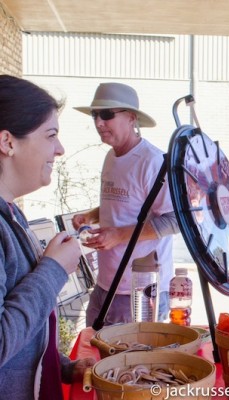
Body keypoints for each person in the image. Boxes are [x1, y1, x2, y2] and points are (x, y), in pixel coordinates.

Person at [0, 75, 95, 400]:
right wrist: (53, 269)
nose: (60, 149)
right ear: (7, 142)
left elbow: (23, 337)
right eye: (50, 135)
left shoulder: (12, 214)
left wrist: (62, 366)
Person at [72, 82, 179, 326]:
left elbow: (175, 220)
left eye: (107, 114)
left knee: (126, 363)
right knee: (95, 358)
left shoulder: (153, 162)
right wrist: (90, 216)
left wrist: (119, 235)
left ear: (131, 118)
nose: (99, 122)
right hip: (106, 283)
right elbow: (127, 203)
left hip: (140, 291)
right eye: (95, 115)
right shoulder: (111, 156)